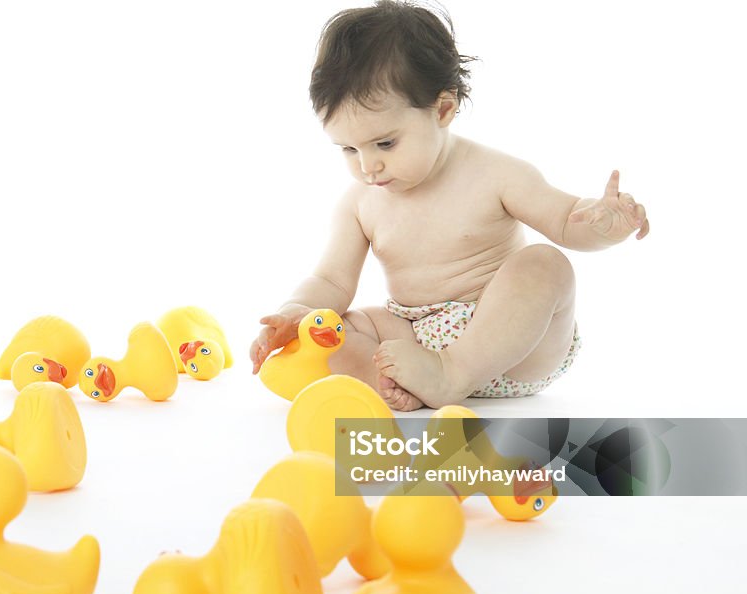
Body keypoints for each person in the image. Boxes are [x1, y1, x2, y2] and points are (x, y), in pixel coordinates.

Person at [249, 0, 649, 411]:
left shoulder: (496, 173)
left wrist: (604, 225)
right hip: (416, 339)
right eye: (349, 148)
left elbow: (567, 221)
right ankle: (389, 387)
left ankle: (453, 374)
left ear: (443, 109)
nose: (368, 166)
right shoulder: (360, 203)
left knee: (547, 265)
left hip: (513, 346)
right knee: (335, 329)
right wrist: (296, 312)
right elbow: (331, 282)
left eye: (385, 143)